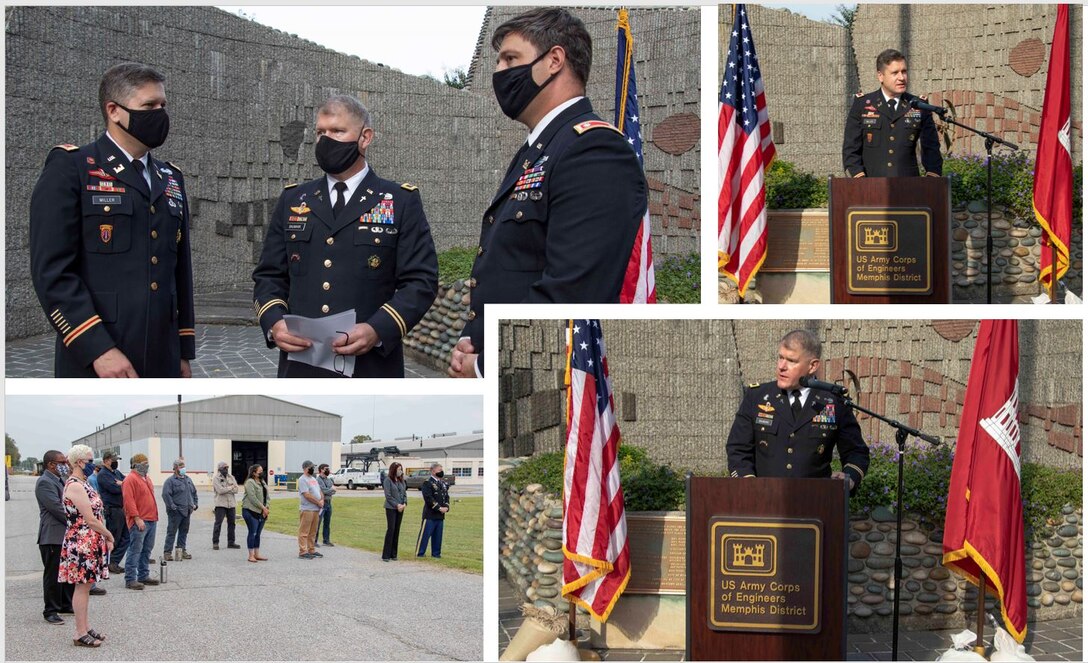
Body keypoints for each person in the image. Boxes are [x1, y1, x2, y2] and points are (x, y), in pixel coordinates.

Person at [449, 7, 647, 379]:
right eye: (497, 61)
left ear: (554, 60)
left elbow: (573, 291)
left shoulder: (594, 151)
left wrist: (482, 367)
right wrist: (471, 344)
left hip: (533, 372)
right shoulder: (537, 151)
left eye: (511, 58)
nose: (499, 73)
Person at [252, 95, 439, 378]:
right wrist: (274, 323)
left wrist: (378, 329)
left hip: (371, 366)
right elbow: (269, 276)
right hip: (301, 365)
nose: (326, 140)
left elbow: (421, 281)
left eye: (337, 131)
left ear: (365, 137)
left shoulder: (399, 201)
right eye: (320, 133)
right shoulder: (294, 199)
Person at [28, 62, 195, 378]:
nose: (160, 114)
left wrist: (183, 350)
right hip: (98, 356)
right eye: (149, 106)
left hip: (163, 355)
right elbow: (52, 272)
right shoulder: (72, 169)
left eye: (163, 105)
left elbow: (179, 273)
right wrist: (97, 349)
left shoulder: (170, 178)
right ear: (114, 111)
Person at [725, 330, 870, 494]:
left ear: (812, 366)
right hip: (765, 499)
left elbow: (856, 452)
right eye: (780, 357)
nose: (781, 366)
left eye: (791, 361)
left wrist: (849, 478)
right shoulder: (757, 397)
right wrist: (749, 485)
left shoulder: (833, 401)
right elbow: (737, 449)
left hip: (816, 502)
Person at [842, 49, 943, 178]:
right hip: (871, 186)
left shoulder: (918, 105)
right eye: (895, 73)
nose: (901, 78)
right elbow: (850, 150)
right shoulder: (862, 105)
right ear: (880, 76)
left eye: (904, 71)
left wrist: (931, 180)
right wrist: (860, 181)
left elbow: (931, 148)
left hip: (908, 188)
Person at [59, 445, 114, 647]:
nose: (93, 464)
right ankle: (79, 632)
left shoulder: (84, 483)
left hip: (90, 540)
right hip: (81, 542)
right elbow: (90, 519)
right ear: (79, 461)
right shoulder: (75, 485)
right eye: (90, 460)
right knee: (82, 588)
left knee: (87, 586)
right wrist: (109, 535)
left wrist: (104, 536)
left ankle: (85, 626)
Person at [36, 450, 75, 625]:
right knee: (53, 575)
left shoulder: (61, 480)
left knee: (67, 572)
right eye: (62, 462)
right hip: (52, 536)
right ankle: (50, 610)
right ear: (51, 464)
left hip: (64, 536)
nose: (65, 465)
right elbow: (58, 509)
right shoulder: (45, 482)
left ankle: (65, 604)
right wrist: (77, 520)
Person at [121, 453, 160, 589]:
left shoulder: (146, 479)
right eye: (144, 463)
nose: (147, 466)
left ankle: (143, 575)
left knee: (146, 549)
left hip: (151, 519)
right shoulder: (130, 479)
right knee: (135, 550)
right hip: (140, 520)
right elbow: (129, 501)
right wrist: (137, 518)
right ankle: (130, 578)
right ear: (136, 464)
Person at [96, 450, 129, 575]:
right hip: (113, 510)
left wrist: (123, 483)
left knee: (126, 537)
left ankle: (114, 561)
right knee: (114, 537)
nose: (115, 462)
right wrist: (122, 484)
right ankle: (108, 562)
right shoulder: (103, 474)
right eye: (113, 460)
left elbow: (127, 482)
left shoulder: (116, 472)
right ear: (105, 461)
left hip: (121, 509)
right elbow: (115, 489)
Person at [161, 458, 197, 560]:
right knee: (172, 532)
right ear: (175, 468)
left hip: (187, 511)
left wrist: (195, 504)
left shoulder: (188, 480)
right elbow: (165, 495)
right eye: (181, 467)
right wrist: (173, 507)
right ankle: (167, 553)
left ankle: (181, 551)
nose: (183, 469)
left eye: (183, 467)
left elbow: (194, 493)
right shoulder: (170, 481)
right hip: (175, 512)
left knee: (183, 532)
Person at [417, 463, 450, 559]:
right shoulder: (428, 483)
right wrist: (439, 508)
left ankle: (436, 554)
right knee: (425, 535)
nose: (441, 472)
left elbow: (446, 497)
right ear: (433, 471)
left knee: (438, 536)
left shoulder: (442, 484)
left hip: (440, 515)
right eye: (439, 470)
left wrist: (446, 507)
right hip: (430, 514)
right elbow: (428, 498)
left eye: (441, 470)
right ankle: (420, 553)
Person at [242, 464, 270, 563]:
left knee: (258, 534)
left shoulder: (262, 482)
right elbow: (252, 498)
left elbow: (267, 496)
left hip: (262, 511)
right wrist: (263, 508)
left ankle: (257, 554)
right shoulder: (250, 482)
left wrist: (266, 508)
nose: (262, 472)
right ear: (254, 473)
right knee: (252, 532)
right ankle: (251, 555)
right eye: (260, 471)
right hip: (250, 511)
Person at [297, 460, 324, 559]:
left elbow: (319, 490)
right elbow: (307, 495)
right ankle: (303, 551)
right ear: (306, 468)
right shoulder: (302, 479)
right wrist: (318, 502)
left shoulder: (313, 478)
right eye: (311, 467)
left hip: (316, 509)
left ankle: (311, 549)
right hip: (307, 509)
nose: (313, 469)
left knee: (313, 531)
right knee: (304, 532)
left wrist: (322, 500)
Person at [382, 462, 408, 561]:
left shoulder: (401, 481)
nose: (400, 471)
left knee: (397, 530)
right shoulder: (388, 480)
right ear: (393, 470)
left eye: (401, 469)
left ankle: (394, 554)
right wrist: (397, 505)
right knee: (391, 529)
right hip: (391, 508)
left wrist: (404, 503)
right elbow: (388, 496)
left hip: (401, 508)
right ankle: (386, 554)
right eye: (398, 469)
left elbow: (404, 493)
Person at [212, 461, 240, 551]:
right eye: (224, 468)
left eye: (227, 468)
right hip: (220, 504)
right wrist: (230, 487)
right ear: (220, 469)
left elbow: (236, 490)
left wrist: (228, 489)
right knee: (218, 523)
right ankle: (215, 542)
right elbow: (220, 491)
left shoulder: (231, 477)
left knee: (232, 523)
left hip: (231, 504)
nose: (226, 469)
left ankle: (231, 542)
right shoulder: (216, 478)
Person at [315, 463, 336, 547]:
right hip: (321, 503)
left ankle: (326, 540)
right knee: (317, 522)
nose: (328, 470)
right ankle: (314, 540)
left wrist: (330, 490)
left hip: (329, 503)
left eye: (328, 468)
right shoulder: (318, 480)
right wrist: (330, 490)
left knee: (327, 522)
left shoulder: (329, 479)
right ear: (321, 470)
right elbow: (323, 490)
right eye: (326, 469)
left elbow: (333, 491)